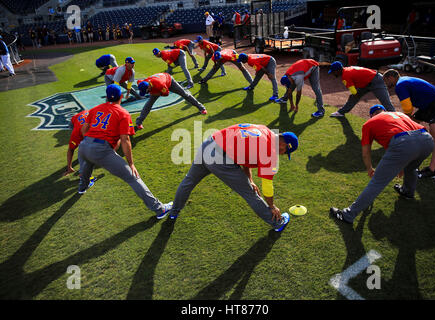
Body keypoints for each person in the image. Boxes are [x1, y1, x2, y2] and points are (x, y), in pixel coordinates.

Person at [164, 123, 298, 234]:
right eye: (286, 152)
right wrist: (272, 206)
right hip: (221, 159)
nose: (284, 154)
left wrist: (250, 180)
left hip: (208, 144)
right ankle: (277, 222)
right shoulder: (271, 152)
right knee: (250, 194)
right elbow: (267, 187)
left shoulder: (264, 129)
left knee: (189, 181)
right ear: (284, 145)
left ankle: (174, 212)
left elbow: (245, 157)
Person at [77, 84, 173, 217]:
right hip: (101, 150)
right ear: (121, 96)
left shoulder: (95, 109)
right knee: (132, 177)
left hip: (83, 146)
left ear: (106, 96)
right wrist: (131, 163)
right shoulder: (122, 113)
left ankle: (82, 187)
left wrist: (88, 142)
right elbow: (125, 140)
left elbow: (84, 129)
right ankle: (160, 209)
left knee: (87, 165)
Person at [330, 105, 434, 224]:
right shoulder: (399, 114)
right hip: (427, 140)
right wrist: (402, 163)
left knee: (377, 182)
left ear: (372, 115)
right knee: (411, 168)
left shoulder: (369, 123)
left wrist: (369, 168)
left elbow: (365, 153)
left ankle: (348, 215)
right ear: (384, 111)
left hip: (404, 143)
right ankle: (407, 192)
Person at [383, 69, 435, 179]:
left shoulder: (400, 85)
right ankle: (411, 156)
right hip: (428, 106)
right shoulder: (404, 81)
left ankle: (431, 171)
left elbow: (408, 108)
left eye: (386, 81)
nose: (386, 84)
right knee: (410, 127)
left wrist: (407, 118)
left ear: (391, 78)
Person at [135, 72, 207, 130]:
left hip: (169, 81)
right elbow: (139, 82)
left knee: (185, 94)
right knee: (149, 104)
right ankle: (139, 122)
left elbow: (166, 93)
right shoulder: (141, 82)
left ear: (149, 86)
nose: (146, 93)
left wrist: (158, 93)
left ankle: (201, 108)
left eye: (147, 91)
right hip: (158, 80)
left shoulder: (159, 85)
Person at [328, 61, 395, 117]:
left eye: (333, 72)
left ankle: (396, 117)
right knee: (353, 97)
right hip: (367, 82)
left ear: (338, 70)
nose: (333, 74)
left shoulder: (345, 75)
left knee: (385, 102)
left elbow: (354, 92)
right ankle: (341, 112)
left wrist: (355, 93)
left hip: (376, 81)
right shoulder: (347, 69)